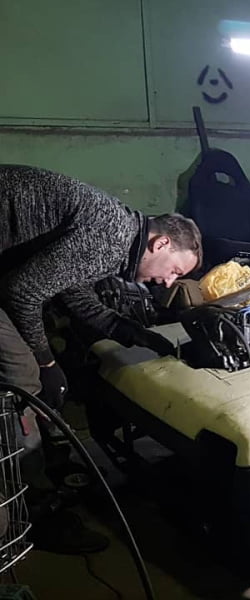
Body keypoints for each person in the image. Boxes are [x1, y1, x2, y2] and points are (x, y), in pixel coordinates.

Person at [0, 164, 202, 552]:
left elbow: (71, 291)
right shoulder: (110, 239)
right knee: (23, 376)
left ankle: (39, 479)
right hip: (7, 280)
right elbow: (21, 292)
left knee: (37, 370)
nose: (169, 282)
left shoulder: (117, 231)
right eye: (175, 271)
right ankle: (28, 511)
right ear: (160, 244)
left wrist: (131, 332)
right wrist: (45, 364)